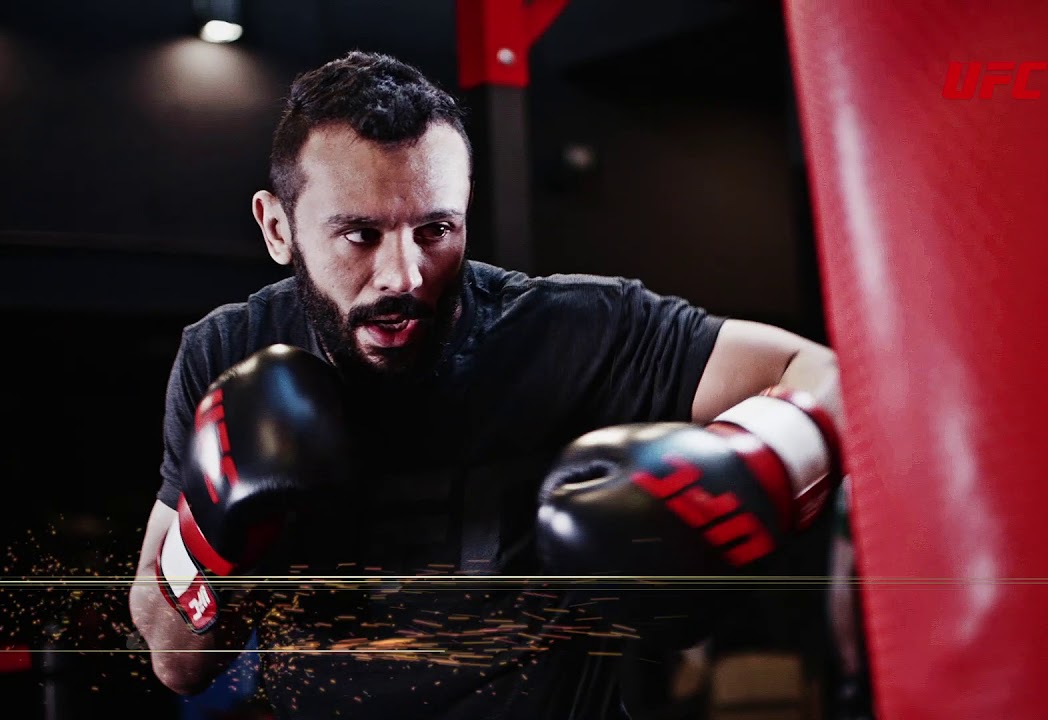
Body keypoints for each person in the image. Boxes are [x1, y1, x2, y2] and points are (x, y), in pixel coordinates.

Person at [127, 49, 845, 719]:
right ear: (278, 228)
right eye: (360, 235)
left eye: (435, 230)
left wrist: (753, 459)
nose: (404, 275)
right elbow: (177, 665)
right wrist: (208, 541)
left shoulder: (573, 333)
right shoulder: (227, 351)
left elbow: (829, 375)